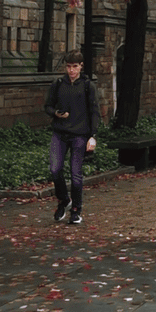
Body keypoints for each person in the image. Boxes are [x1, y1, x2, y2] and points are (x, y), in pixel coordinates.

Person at [44, 49, 99, 224]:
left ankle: (76, 209)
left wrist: (93, 136)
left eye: (74, 66)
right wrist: (56, 113)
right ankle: (64, 201)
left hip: (80, 135)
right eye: (68, 67)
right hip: (60, 133)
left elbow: (94, 112)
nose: (71, 70)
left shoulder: (87, 86)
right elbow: (48, 106)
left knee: (76, 174)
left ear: (81, 66)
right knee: (55, 169)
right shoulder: (58, 84)